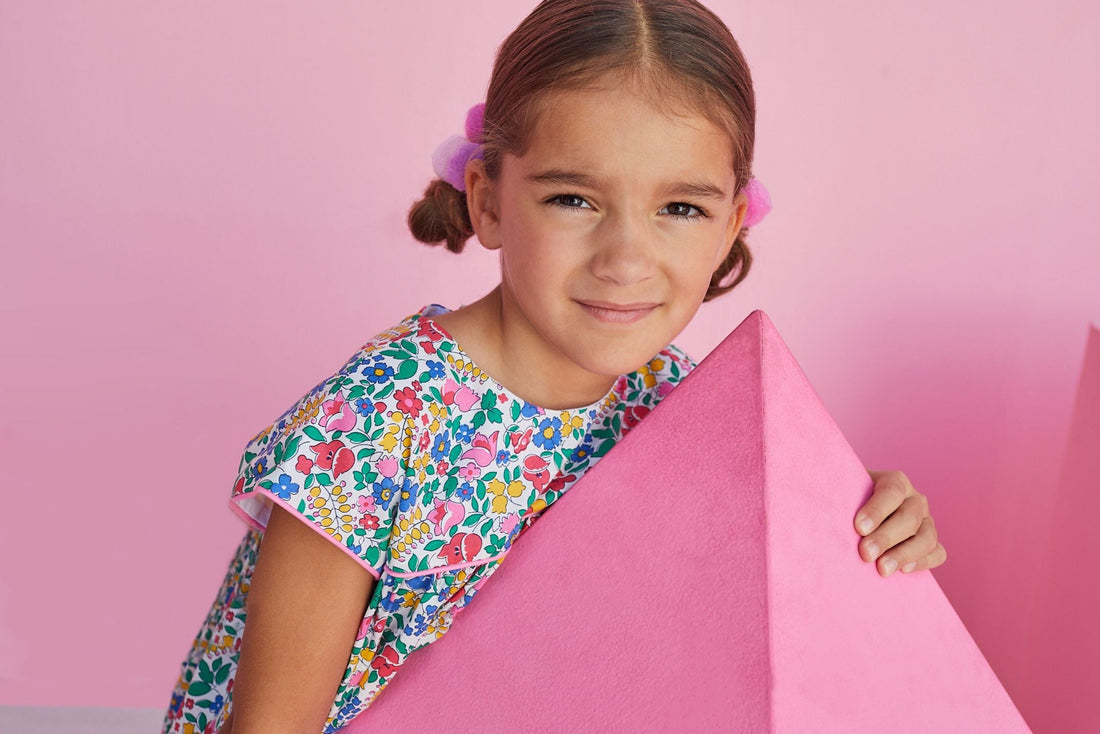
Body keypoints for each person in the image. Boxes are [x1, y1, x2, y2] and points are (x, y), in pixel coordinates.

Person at [163, 1, 947, 732]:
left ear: (731, 223)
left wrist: (856, 511)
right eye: (574, 198)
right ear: (490, 200)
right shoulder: (375, 424)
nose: (626, 260)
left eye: (681, 208)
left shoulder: (682, 405)